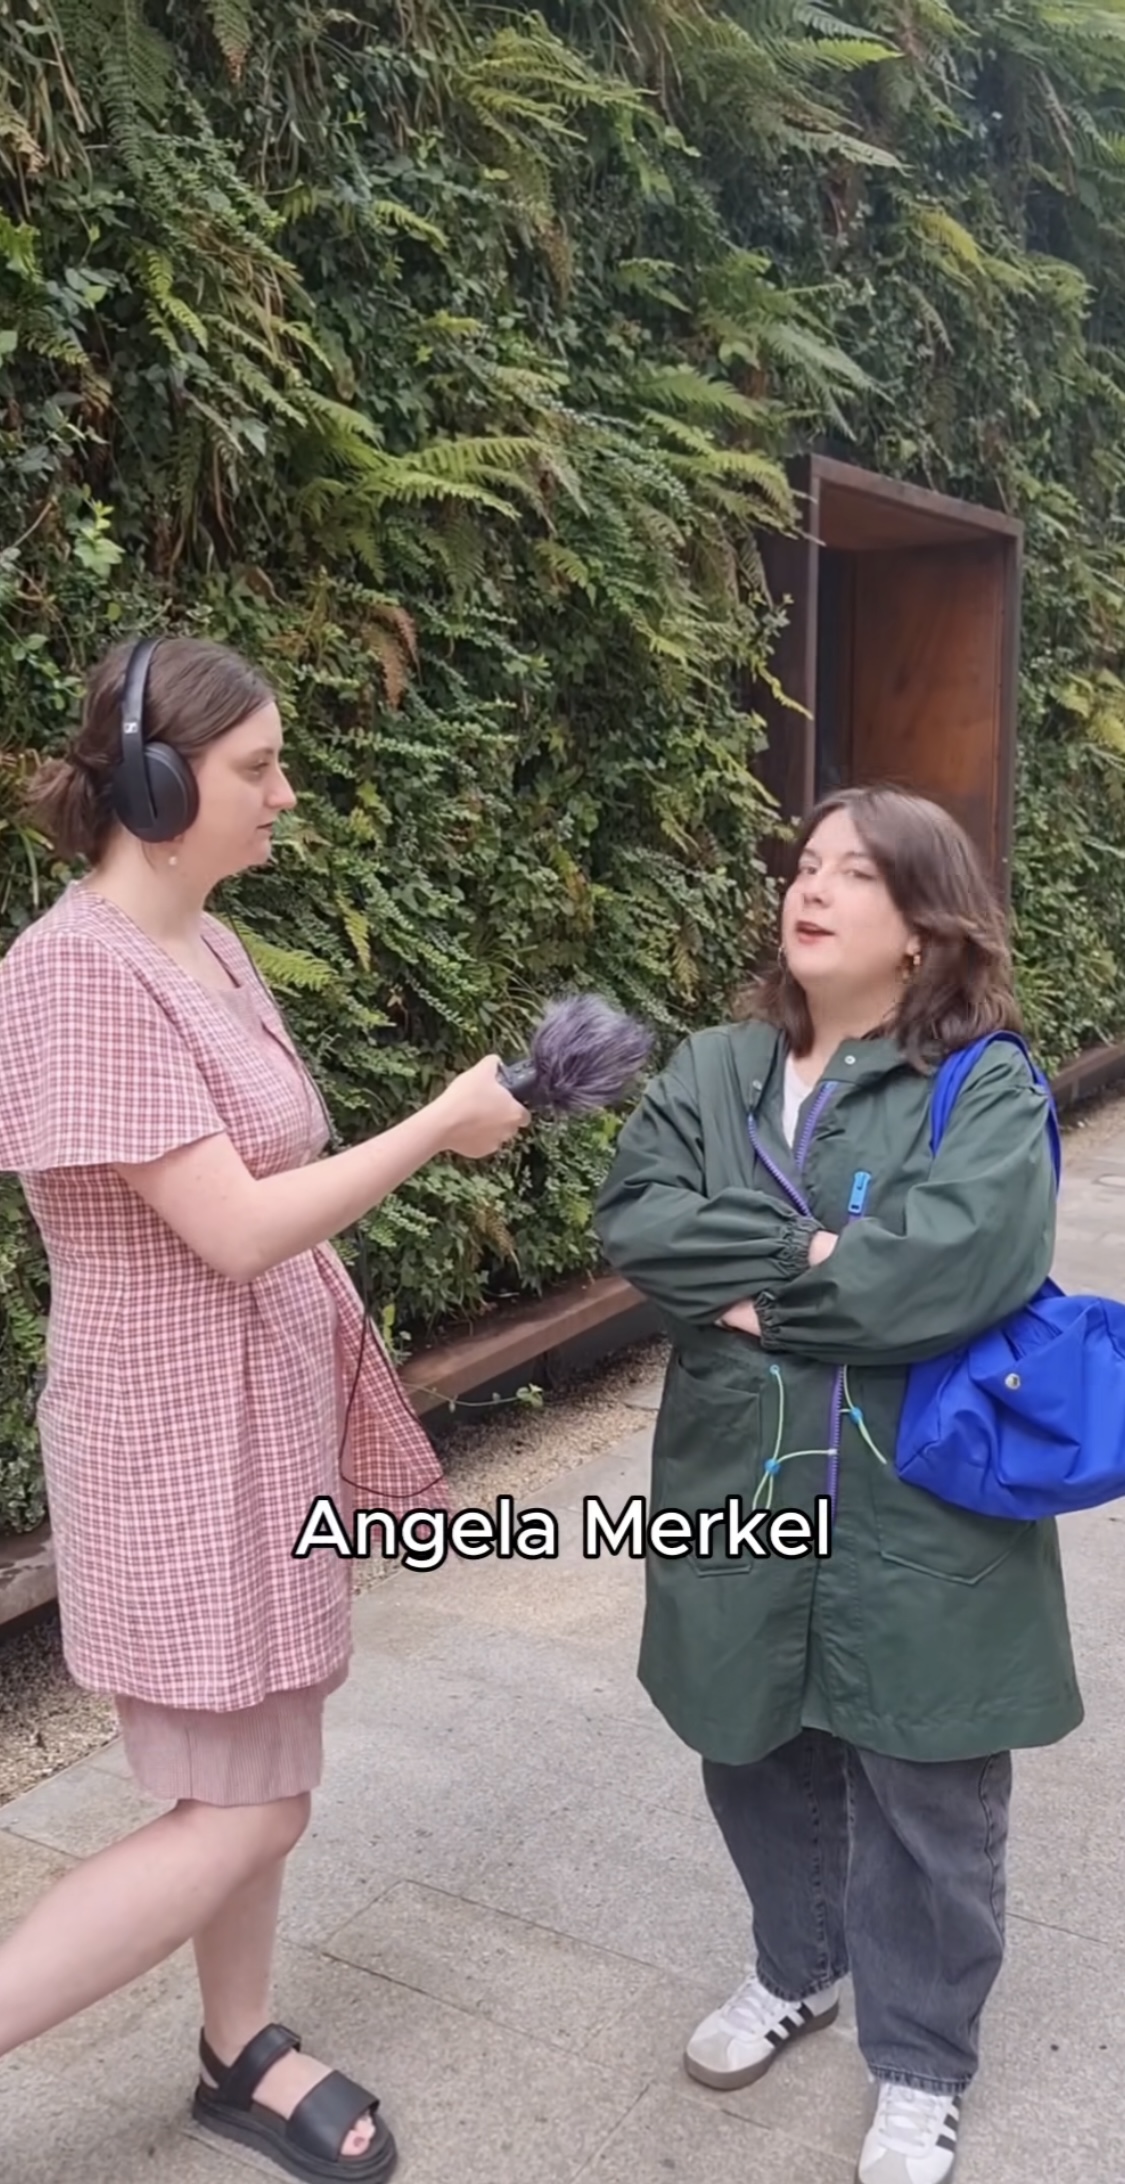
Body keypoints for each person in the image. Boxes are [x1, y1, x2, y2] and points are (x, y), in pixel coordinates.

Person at [0, 634, 529, 2182]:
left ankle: (237, 2047)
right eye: (257, 768)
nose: (285, 794)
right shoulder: (72, 975)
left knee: (249, 1778)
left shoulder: (211, 948)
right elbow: (232, 1227)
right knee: (250, 1811)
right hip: (175, 1447)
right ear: (157, 787)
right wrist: (435, 1126)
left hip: (263, 1422)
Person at [594, 786, 1083, 2184]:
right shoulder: (715, 1069)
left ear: (924, 925)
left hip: (916, 1500)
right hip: (738, 1480)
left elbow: (948, 1270)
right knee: (749, 1745)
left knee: (928, 1785)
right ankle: (796, 1964)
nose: (809, 889)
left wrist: (760, 1285)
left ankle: (920, 2062)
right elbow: (636, 1220)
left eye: (855, 874)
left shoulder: (982, 1084)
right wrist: (814, 1262)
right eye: (804, 865)